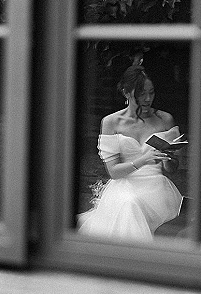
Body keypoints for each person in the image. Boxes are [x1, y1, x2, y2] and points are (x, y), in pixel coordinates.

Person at [78, 64, 183, 241]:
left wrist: (169, 159)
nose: (148, 98)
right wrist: (144, 159)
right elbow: (113, 172)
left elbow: (173, 169)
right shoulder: (111, 122)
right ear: (127, 92)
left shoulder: (165, 119)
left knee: (131, 205)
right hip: (125, 185)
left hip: (156, 187)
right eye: (141, 93)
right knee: (129, 204)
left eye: (152, 92)